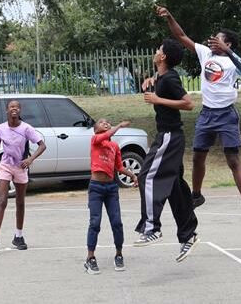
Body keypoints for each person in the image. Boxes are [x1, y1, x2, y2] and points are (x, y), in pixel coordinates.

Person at [156, 6, 241, 222]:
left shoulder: (232, 61)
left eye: (218, 40)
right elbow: (181, 36)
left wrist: (228, 51)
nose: (213, 42)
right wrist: (170, 16)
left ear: (228, 44)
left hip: (227, 115)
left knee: (233, 159)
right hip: (207, 114)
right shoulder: (205, 53)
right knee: (197, 157)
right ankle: (196, 195)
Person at [134, 39, 200, 262]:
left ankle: (152, 228)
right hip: (170, 136)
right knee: (175, 188)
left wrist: (157, 98)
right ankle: (188, 234)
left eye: (158, 50)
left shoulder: (170, 77)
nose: (155, 52)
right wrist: (152, 81)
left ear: (162, 57)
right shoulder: (162, 77)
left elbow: (189, 103)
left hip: (170, 136)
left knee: (147, 177)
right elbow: (162, 84)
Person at [0, 100, 48, 254]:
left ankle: (18, 236)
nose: (14, 109)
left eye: (17, 107)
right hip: (5, 165)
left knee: (20, 202)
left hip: (21, 167)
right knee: (2, 200)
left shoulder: (26, 128)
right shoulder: (0, 129)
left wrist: (30, 159)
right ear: (7, 110)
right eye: (11, 107)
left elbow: (42, 145)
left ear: (20, 111)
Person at [83, 119, 138, 274]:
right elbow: (105, 135)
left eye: (108, 122)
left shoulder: (114, 146)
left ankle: (119, 254)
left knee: (117, 222)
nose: (106, 123)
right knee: (95, 222)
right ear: (95, 130)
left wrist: (132, 175)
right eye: (101, 123)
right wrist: (118, 126)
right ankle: (90, 258)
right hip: (96, 188)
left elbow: (119, 167)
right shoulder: (95, 140)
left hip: (111, 188)